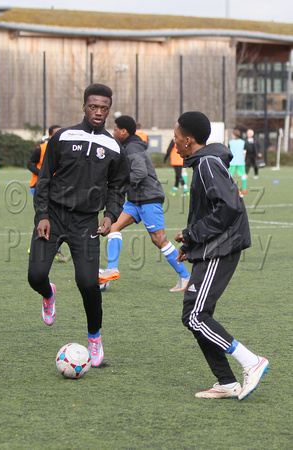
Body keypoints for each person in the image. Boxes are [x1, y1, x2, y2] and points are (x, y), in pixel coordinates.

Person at [27, 83, 130, 367]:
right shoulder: (62, 136)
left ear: (109, 110)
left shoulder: (114, 147)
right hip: (54, 216)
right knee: (35, 275)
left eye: (104, 108)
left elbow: (118, 186)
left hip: (86, 221)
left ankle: (94, 337)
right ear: (84, 106)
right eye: (93, 107)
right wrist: (42, 216)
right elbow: (45, 177)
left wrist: (110, 214)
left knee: (87, 283)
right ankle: (49, 294)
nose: (98, 112)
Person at [174, 111, 269, 400]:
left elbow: (228, 208)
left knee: (195, 315)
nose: (174, 143)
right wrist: (191, 245)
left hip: (222, 247)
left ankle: (252, 361)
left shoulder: (206, 164)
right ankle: (226, 382)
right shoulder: (203, 163)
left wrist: (193, 235)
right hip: (212, 246)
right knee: (196, 316)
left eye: (176, 137)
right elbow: (212, 210)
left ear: (189, 140)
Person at [99, 115, 190, 292]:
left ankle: (186, 277)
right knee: (113, 227)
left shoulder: (132, 148)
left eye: (116, 129)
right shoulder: (128, 146)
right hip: (135, 200)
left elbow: (139, 172)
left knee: (159, 239)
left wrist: (118, 185)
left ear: (123, 131)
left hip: (148, 198)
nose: (114, 132)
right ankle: (111, 269)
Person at [27, 124, 68, 263]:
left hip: (56, 188)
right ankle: (47, 247)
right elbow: (30, 164)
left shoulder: (66, 148)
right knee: (46, 215)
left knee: (55, 216)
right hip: (39, 186)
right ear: (50, 135)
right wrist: (43, 174)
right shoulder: (41, 148)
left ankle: (42, 246)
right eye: (56, 133)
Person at [228, 129, 248, 194]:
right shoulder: (243, 142)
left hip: (232, 161)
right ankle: (245, 189)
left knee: (230, 175)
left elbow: (229, 152)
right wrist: (244, 160)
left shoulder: (230, 142)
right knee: (243, 175)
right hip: (240, 161)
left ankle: (229, 188)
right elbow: (244, 152)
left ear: (234, 135)